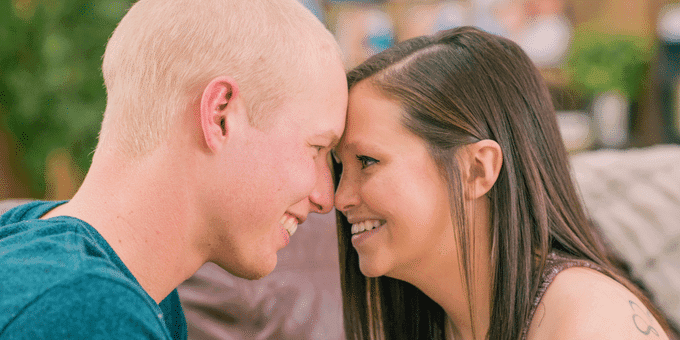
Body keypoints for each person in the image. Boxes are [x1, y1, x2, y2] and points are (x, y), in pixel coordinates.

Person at [0, 0, 347, 338]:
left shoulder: (29, 245)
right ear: (220, 116)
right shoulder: (87, 312)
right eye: (316, 148)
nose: (325, 197)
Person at [333, 26, 677, 340]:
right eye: (339, 168)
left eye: (367, 161)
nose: (340, 198)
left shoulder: (590, 322)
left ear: (478, 170)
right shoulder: (442, 322)